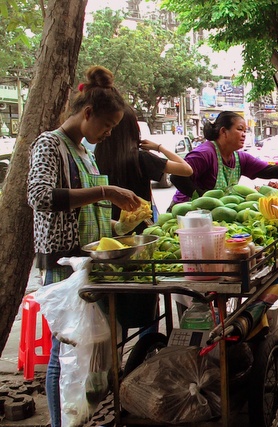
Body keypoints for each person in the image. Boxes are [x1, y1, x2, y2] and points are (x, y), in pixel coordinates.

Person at [27, 66, 139, 427]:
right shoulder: (50, 144)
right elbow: (40, 196)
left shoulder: (83, 152)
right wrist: (105, 191)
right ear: (87, 112)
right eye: (107, 125)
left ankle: (77, 419)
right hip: (64, 266)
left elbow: (88, 212)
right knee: (64, 355)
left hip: (89, 263)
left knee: (84, 358)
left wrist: (121, 227)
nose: (109, 133)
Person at [170, 111, 278, 205]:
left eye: (245, 131)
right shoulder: (205, 153)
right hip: (186, 213)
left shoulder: (238, 158)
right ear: (224, 131)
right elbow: (177, 177)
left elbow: (267, 171)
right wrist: (203, 198)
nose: (244, 135)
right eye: (240, 129)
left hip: (212, 214)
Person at [95, 106, 193, 234]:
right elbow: (186, 169)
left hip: (106, 229)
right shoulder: (140, 157)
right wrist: (159, 147)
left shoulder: (95, 157)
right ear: (132, 129)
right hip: (139, 233)